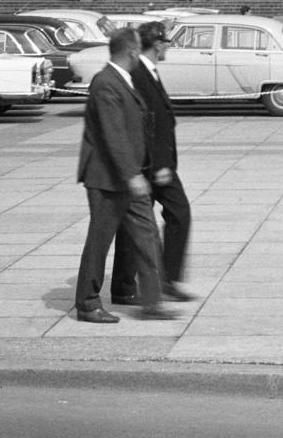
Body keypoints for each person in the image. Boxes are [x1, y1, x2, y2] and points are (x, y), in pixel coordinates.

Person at [72, 28, 173, 322]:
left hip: (131, 177)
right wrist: (131, 175)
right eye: (139, 51)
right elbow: (112, 134)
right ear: (131, 53)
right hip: (106, 179)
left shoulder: (123, 80)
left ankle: (141, 297)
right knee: (99, 241)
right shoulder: (105, 83)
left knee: (146, 235)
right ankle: (88, 303)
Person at [110, 22, 194, 306]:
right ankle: (150, 283)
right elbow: (146, 122)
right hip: (151, 163)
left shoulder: (147, 72)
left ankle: (144, 282)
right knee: (174, 214)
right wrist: (158, 164)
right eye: (166, 43)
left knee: (136, 223)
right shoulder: (139, 74)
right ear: (157, 45)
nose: (169, 47)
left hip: (158, 160)